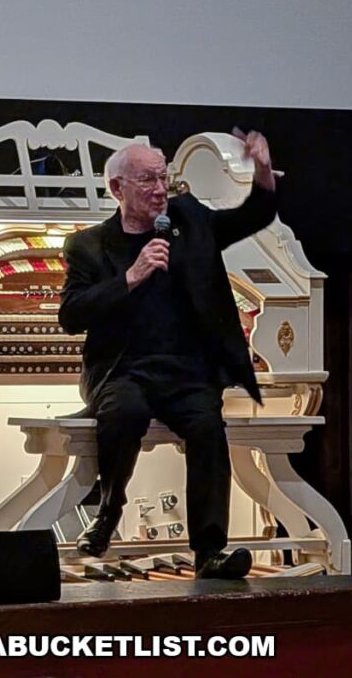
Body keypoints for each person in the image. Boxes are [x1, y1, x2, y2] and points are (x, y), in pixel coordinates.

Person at [57, 128, 278, 579]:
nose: (159, 190)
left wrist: (262, 174)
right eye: (146, 181)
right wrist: (131, 278)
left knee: (208, 430)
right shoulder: (88, 245)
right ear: (117, 188)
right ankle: (108, 511)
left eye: (163, 179)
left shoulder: (189, 222)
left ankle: (210, 551)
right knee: (124, 414)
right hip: (123, 371)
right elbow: (71, 315)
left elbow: (249, 218)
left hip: (187, 373)